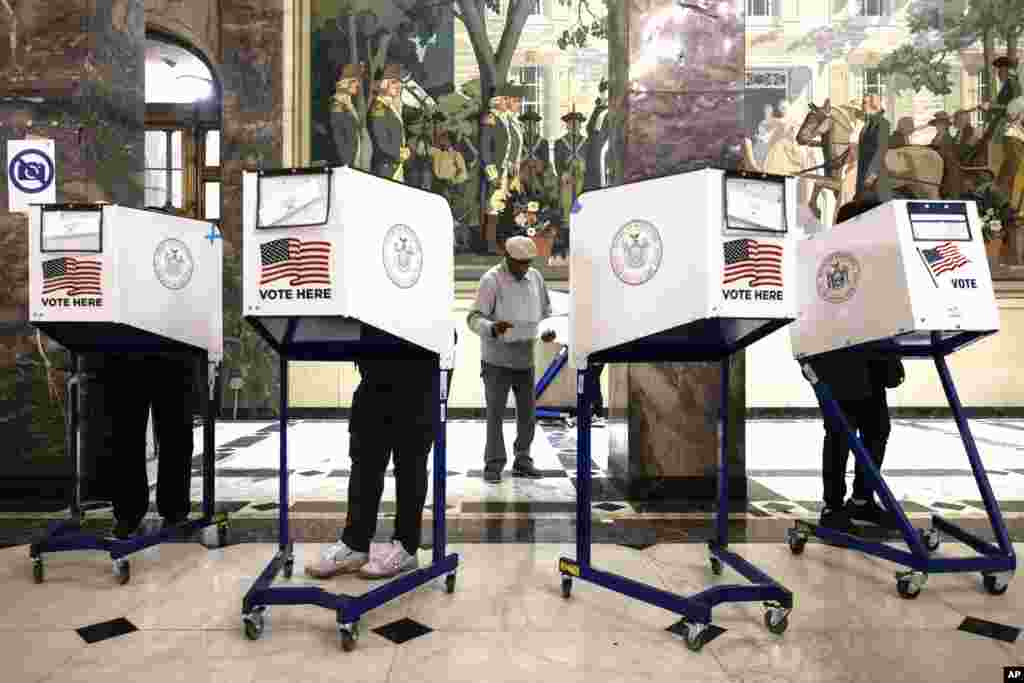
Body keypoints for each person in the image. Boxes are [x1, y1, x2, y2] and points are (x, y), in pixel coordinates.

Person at [306, 330, 456, 579]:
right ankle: (354, 545)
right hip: (374, 381)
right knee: (364, 467)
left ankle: (406, 547)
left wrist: (436, 401)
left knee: (410, 469)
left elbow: (447, 336)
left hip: (417, 385)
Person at [809, 196, 904, 533]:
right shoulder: (827, 259)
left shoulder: (876, 261)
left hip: (872, 362)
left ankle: (863, 501)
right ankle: (832, 506)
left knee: (878, 430)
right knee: (839, 435)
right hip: (837, 364)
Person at [467, 235, 556, 483]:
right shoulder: (491, 280)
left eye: (528, 263)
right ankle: (493, 464)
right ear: (507, 258)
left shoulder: (536, 278)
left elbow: (547, 314)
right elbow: (473, 318)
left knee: (528, 416)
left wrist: (549, 331)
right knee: (495, 415)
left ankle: (523, 459)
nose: (525, 268)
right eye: (520, 263)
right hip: (496, 361)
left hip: (525, 359)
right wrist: (493, 327)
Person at [109, 350, 198, 539]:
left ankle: (163, 510)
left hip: (169, 345)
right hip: (142, 346)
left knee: (173, 434)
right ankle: (136, 511)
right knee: (128, 434)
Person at [480, 88, 510, 254]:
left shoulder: (501, 119)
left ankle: (495, 242)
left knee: (498, 206)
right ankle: (489, 244)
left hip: (503, 168)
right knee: (492, 206)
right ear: (496, 102)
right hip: (495, 171)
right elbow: (485, 149)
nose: (507, 103)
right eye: (504, 99)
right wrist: (492, 174)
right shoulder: (490, 118)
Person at [368, 64, 409, 182]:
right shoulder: (378, 108)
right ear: (383, 84)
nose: (399, 85)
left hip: (394, 166)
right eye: (394, 82)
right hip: (385, 168)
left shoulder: (389, 107)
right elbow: (380, 140)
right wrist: (399, 153)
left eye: (399, 82)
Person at [856, 93, 891, 201]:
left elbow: (881, 149)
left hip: (876, 177)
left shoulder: (883, 123)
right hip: (863, 174)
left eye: (864, 103)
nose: (862, 106)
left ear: (873, 105)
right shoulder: (866, 124)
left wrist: (872, 173)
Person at [331, 63, 364, 168]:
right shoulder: (337, 104)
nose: (357, 84)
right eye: (354, 80)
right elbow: (339, 138)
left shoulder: (348, 103)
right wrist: (348, 165)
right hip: (345, 166)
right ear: (342, 82)